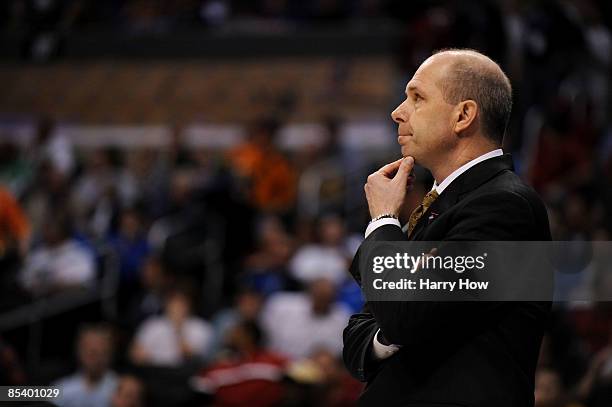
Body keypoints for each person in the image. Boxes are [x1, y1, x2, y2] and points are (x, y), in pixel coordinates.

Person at [343, 49, 552, 406]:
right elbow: (358, 337)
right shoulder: (439, 208)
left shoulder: (504, 206)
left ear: (463, 116)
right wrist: (388, 335)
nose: (398, 111)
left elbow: (402, 315)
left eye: (417, 97)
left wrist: (381, 220)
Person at [54, 324, 118, 407]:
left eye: (101, 352)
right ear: (79, 352)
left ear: (110, 354)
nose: (95, 359)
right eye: (91, 352)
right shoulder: (61, 388)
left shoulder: (120, 387)